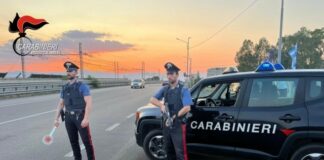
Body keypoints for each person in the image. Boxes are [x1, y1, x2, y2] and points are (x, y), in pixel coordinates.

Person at [150, 62, 192, 160]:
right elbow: (152, 99)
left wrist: (173, 117)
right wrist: (161, 105)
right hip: (167, 125)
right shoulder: (165, 89)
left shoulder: (184, 89)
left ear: (177, 75)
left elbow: (187, 107)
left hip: (178, 125)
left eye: (172, 74)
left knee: (181, 153)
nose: (169, 76)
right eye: (168, 74)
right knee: (169, 151)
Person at [53, 61, 95, 160]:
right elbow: (61, 104)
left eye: (71, 71)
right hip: (68, 118)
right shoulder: (64, 88)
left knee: (87, 142)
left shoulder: (82, 86)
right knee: (73, 142)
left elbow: (89, 102)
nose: (68, 73)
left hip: (80, 116)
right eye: (67, 71)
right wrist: (56, 119)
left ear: (76, 73)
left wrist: (86, 118)